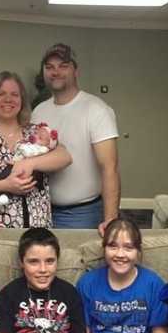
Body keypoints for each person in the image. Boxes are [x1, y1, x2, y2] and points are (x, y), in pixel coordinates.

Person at [0, 71, 71, 228]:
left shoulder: (36, 133)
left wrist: (30, 164)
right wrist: (4, 185)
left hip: (35, 232)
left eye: (15, 94)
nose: (8, 99)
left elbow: (64, 156)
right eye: (0, 94)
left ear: (22, 100)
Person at [32, 43, 120, 234]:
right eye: (49, 67)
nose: (56, 72)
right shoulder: (39, 111)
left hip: (82, 214)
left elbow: (109, 168)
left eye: (63, 66)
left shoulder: (96, 110)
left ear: (76, 71)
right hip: (41, 210)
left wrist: (111, 220)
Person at [77, 219, 168, 333]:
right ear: (104, 248)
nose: (120, 254)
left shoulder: (153, 284)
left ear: (138, 251)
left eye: (128, 248)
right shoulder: (87, 283)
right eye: (113, 246)